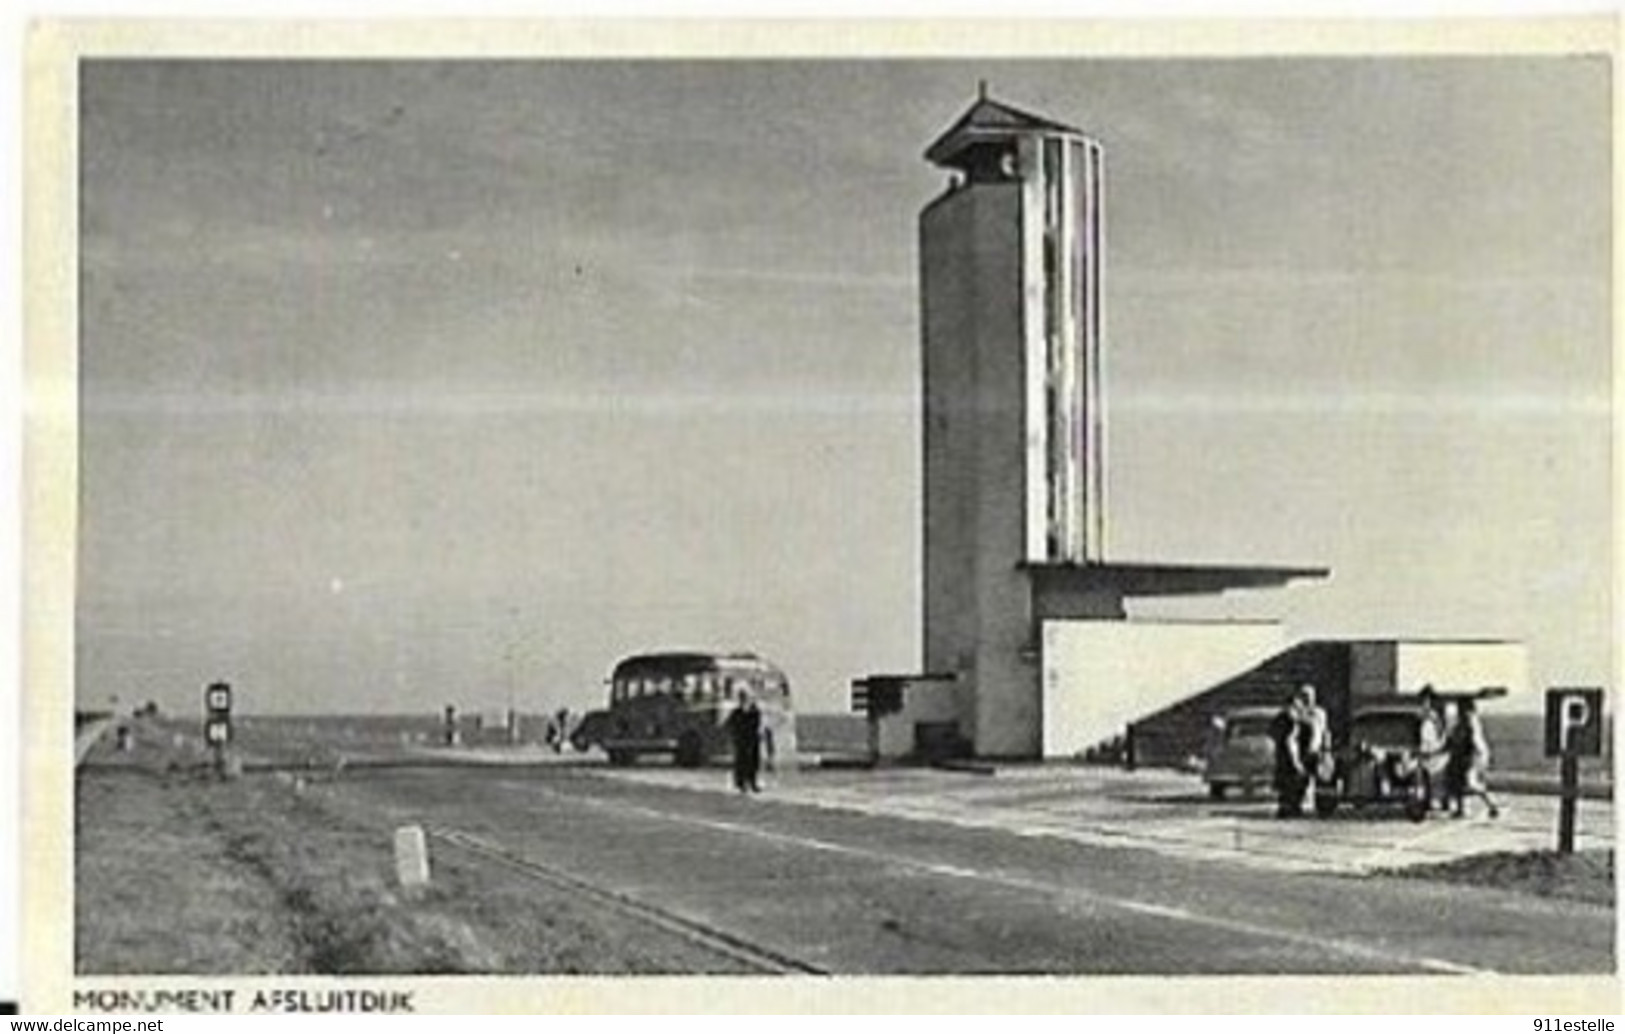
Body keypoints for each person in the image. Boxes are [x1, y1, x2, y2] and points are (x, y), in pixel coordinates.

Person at [1446, 698, 1501, 819]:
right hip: (1466, 755)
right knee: (1457, 780)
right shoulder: (1462, 723)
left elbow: (1473, 742)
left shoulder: (1471, 723)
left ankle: (1492, 804)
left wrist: (1471, 758)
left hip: (1474, 755)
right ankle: (1460, 809)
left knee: (1471, 782)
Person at [724, 691, 764, 793]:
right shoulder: (736, 712)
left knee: (753, 762)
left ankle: (752, 782)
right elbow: (730, 725)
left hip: (752, 740)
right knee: (741, 761)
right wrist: (735, 736)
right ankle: (741, 783)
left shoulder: (755, 712)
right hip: (741, 741)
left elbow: (757, 724)